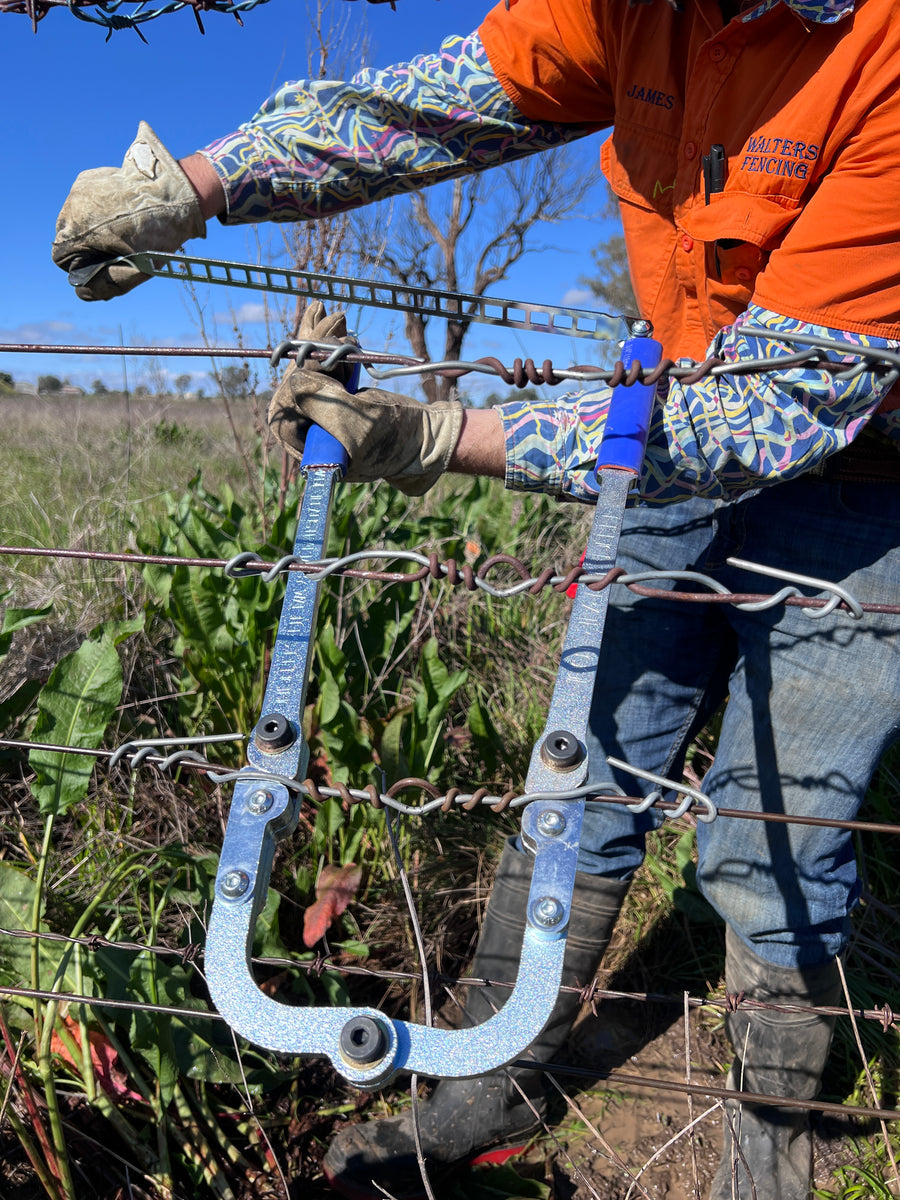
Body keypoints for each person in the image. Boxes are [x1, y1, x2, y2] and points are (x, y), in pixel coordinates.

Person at [52, 0, 900, 1195]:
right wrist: (193, 184)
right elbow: (422, 106)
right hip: (661, 413)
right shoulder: (626, 10)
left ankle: (768, 1147)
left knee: (780, 837)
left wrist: (439, 432)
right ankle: (480, 1093)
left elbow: (767, 413)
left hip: (862, 475)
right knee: (580, 777)